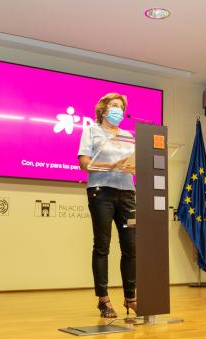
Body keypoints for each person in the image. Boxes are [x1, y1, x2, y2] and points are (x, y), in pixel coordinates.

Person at [78, 93, 137, 318]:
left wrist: (134, 166)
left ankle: (131, 297)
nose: (119, 110)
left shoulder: (128, 136)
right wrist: (112, 165)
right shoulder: (91, 131)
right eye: (114, 105)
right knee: (102, 246)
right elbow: (85, 164)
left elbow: (133, 165)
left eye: (121, 107)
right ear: (103, 109)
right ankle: (103, 299)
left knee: (131, 247)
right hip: (101, 192)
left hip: (127, 193)